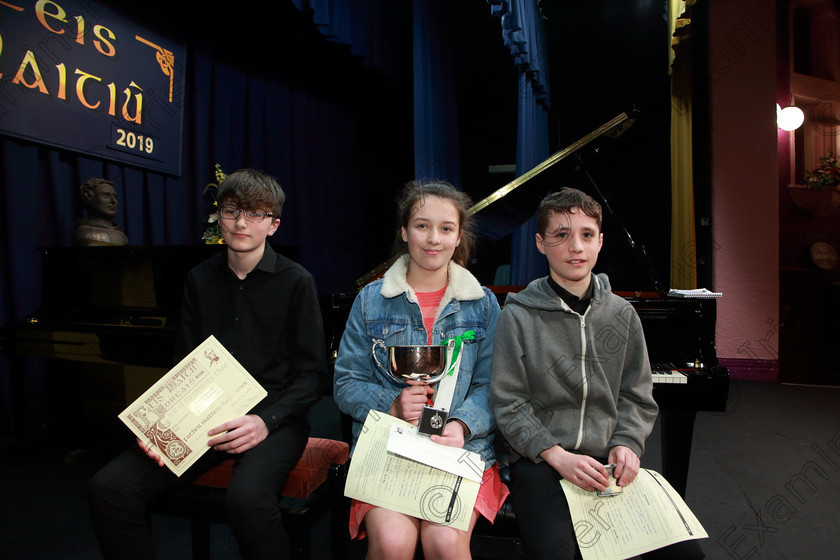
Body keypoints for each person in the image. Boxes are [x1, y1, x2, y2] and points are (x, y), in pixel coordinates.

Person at [88, 169, 327, 560]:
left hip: (273, 419)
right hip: (203, 415)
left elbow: (312, 376)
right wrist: (160, 423)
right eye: (232, 211)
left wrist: (264, 422)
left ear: (274, 225)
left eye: (256, 214)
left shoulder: (297, 281)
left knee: (247, 501)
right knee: (109, 488)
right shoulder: (199, 278)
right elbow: (183, 363)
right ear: (219, 217)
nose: (242, 223)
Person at [489, 187, 704, 559]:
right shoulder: (518, 315)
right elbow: (508, 404)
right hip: (541, 461)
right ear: (540, 243)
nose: (576, 247)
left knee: (684, 555)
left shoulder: (622, 315)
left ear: (600, 242)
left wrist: (627, 443)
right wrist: (557, 456)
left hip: (605, 460)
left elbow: (637, 394)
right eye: (561, 235)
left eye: (586, 235)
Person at [333, 180, 508, 560]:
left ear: (459, 236)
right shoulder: (370, 301)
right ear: (404, 231)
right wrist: (392, 404)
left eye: (446, 228)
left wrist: (461, 425)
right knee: (394, 544)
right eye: (422, 226)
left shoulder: (483, 306)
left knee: (444, 543)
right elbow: (346, 382)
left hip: (459, 449)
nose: (433, 239)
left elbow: (493, 386)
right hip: (388, 446)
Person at [74, 177, 129, 246]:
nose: (113, 201)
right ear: (89, 197)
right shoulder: (85, 234)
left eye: (115, 196)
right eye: (106, 195)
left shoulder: (122, 236)